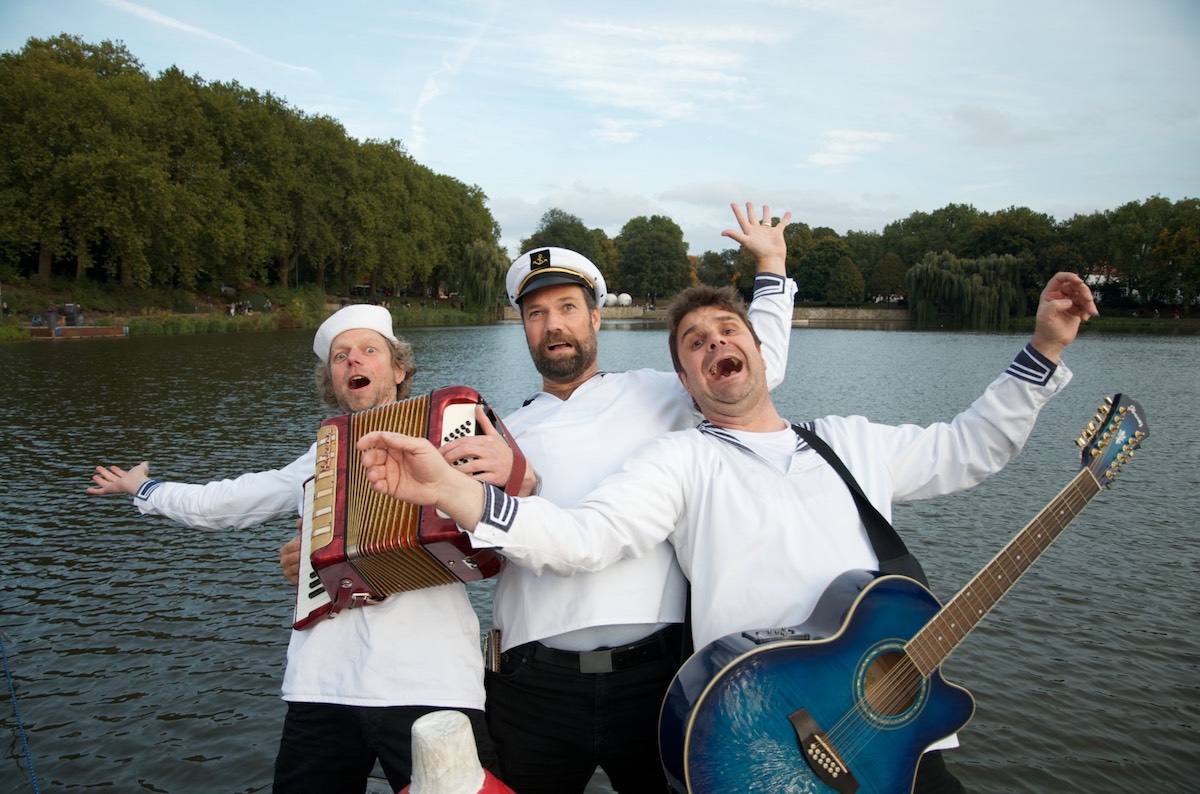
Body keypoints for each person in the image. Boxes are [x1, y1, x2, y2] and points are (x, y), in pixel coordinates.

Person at [353, 272, 1098, 793]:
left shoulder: (852, 442)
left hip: (890, 734)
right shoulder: (681, 461)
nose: (714, 346)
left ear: (758, 353)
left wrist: (1045, 346)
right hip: (762, 739)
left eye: (726, 332)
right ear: (686, 382)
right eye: (694, 345)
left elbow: (971, 447)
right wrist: (453, 490)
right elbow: (583, 537)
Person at [432, 202, 796, 793]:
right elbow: (465, 552)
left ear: (596, 319)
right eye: (536, 313)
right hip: (533, 687)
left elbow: (759, 368)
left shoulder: (663, 393)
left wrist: (773, 272)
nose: (553, 325)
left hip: (656, 679)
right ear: (521, 326)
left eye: (567, 309)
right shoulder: (494, 434)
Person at [86, 304, 498, 793]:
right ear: (333, 380)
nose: (354, 362)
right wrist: (145, 490)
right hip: (324, 686)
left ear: (399, 368)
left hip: (431, 680)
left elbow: (503, 526)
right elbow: (228, 501)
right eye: (340, 357)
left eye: (369, 350)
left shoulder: (451, 431)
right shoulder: (321, 457)